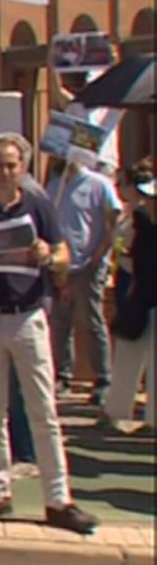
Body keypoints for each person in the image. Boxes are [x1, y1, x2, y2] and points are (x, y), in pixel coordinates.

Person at [0, 133, 96, 534]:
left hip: (27, 314)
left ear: (23, 168)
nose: (4, 172)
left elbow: (63, 254)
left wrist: (50, 257)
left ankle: (58, 499)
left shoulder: (39, 205)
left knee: (43, 409)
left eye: (12, 164)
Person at [45, 156, 122, 401]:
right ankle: (62, 374)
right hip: (61, 264)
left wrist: (101, 255)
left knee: (92, 321)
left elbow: (114, 221)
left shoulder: (99, 184)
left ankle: (103, 378)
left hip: (89, 263)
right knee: (60, 322)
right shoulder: (54, 186)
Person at [103, 166, 155, 431]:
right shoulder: (134, 218)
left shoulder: (143, 219)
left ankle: (152, 417)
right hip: (134, 290)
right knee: (128, 351)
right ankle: (117, 409)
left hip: (145, 292)